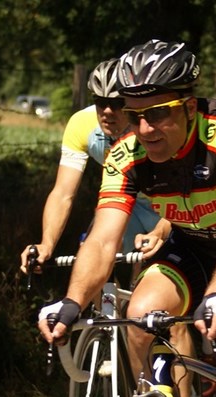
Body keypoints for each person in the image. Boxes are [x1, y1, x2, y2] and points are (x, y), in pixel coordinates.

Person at [36, 39, 216, 397]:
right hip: (190, 245)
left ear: (189, 108)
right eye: (134, 115)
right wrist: (72, 302)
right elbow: (102, 240)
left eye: (157, 113)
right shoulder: (127, 155)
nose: (144, 129)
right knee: (140, 315)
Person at [19, 58, 162, 283]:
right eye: (100, 102)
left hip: (169, 207)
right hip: (126, 204)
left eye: (117, 103)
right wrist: (47, 243)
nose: (107, 111)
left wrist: (160, 231)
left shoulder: (152, 127)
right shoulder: (82, 124)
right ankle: (102, 304)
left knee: (153, 279)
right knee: (91, 255)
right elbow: (63, 193)